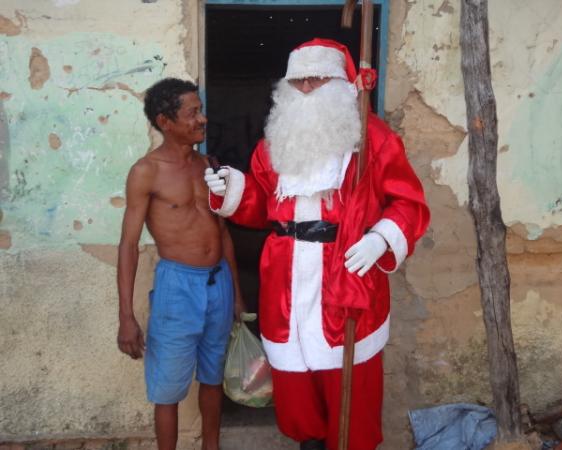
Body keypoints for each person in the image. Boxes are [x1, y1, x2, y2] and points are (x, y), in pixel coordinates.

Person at [204, 39, 430, 450]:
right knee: (295, 386)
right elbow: (260, 206)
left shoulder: (373, 140)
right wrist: (232, 188)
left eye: (317, 78)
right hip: (285, 279)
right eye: (299, 80)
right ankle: (308, 442)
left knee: (351, 395)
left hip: (346, 274)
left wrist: (381, 238)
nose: (306, 88)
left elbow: (408, 203)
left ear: (343, 83)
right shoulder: (273, 143)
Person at [117, 78, 244, 450]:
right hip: (177, 287)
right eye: (192, 113)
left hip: (217, 283)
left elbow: (223, 234)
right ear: (165, 121)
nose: (202, 119)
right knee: (168, 388)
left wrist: (235, 292)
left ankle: (211, 447)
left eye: (200, 110)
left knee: (212, 377)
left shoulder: (209, 165)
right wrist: (126, 315)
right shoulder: (147, 171)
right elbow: (128, 244)